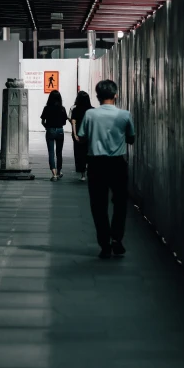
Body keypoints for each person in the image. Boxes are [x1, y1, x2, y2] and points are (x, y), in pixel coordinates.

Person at [77, 80, 135, 259]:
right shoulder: (125, 115)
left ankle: (105, 244)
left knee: (98, 206)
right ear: (116, 95)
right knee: (119, 204)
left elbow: (82, 137)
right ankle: (117, 239)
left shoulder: (90, 114)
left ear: (97, 96)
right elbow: (131, 139)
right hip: (117, 164)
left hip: (96, 164)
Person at [40, 90, 68, 182]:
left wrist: (47, 127)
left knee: (51, 153)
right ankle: (59, 171)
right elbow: (64, 122)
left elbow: (43, 121)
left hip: (50, 130)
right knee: (59, 153)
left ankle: (54, 174)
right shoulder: (62, 108)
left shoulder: (46, 108)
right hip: (60, 131)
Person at [69, 91, 93, 181]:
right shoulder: (92, 110)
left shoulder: (76, 109)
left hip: (79, 135)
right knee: (89, 153)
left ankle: (83, 175)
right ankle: (90, 171)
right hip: (90, 135)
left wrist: (75, 134)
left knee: (80, 154)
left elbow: (73, 122)